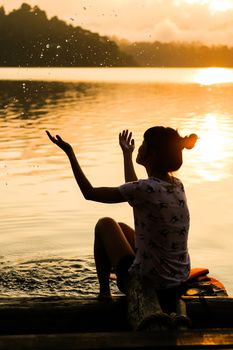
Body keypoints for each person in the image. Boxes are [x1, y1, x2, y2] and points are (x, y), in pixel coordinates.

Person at [46, 127, 198, 302]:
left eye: (143, 143)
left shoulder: (145, 189)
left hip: (151, 286)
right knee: (122, 228)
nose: (139, 147)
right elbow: (135, 191)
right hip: (178, 282)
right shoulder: (176, 184)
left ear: (153, 154)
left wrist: (70, 153)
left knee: (105, 224)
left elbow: (89, 193)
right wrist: (127, 155)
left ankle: (104, 295)